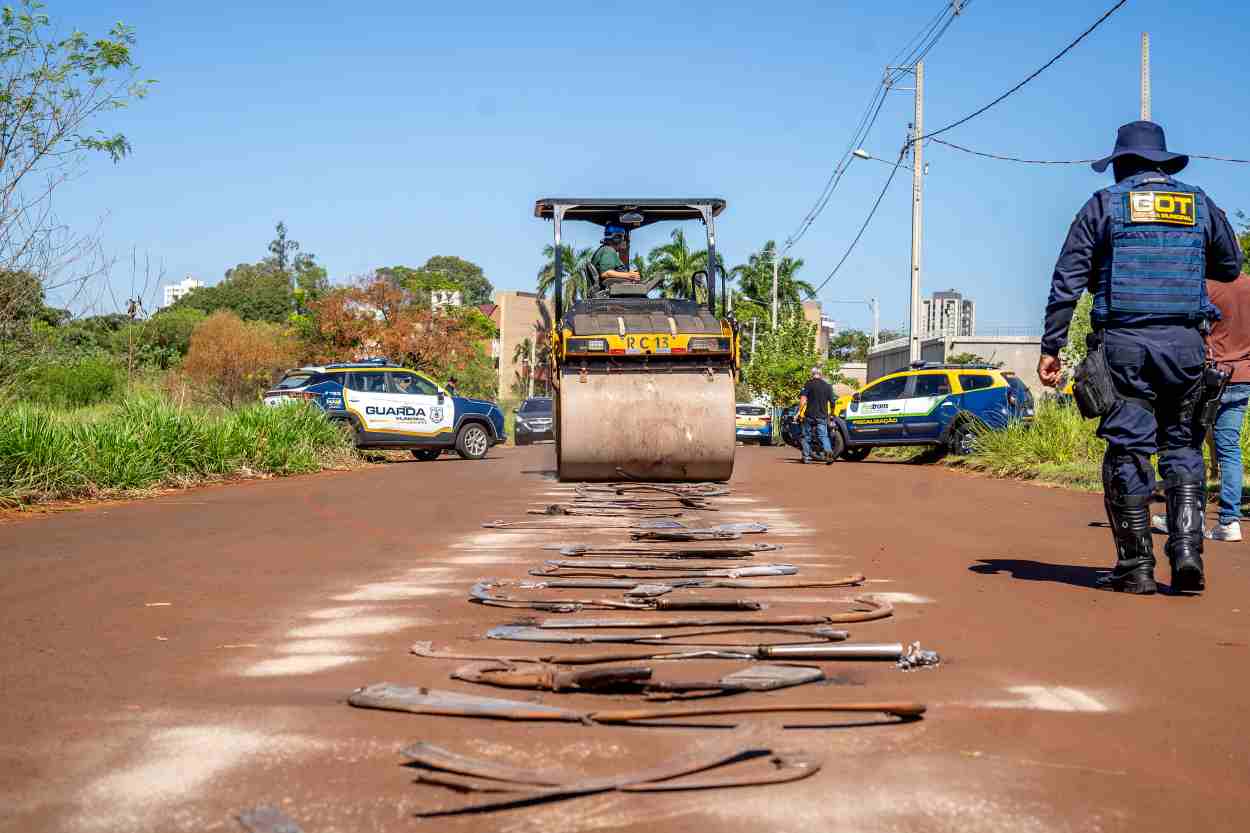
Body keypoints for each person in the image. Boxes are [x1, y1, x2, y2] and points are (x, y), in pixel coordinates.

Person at [1037, 120, 1243, 595]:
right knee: (1184, 447)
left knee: (1129, 450)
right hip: (1186, 346)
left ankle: (1136, 567)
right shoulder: (1200, 203)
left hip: (1124, 347)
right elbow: (1230, 265)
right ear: (1162, 164)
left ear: (1121, 166)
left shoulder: (1103, 206)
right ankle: (1188, 554)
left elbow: (1066, 282)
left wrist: (1052, 347)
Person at [1153, 273, 1250, 542]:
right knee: (1229, 448)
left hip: (1208, 377)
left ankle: (1185, 517)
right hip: (1242, 376)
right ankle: (1229, 521)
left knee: (1190, 447)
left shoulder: (1205, 287)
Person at [798, 367, 835, 464]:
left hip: (809, 415)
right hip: (822, 416)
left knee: (806, 436)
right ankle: (828, 453)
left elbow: (803, 400)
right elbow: (832, 402)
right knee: (824, 436)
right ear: (821, 374)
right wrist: (832, 413)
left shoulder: (808, 384)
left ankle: (806, 458)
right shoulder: (827, 386)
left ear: (812, 374)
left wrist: (799, 413)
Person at [590, 224, 641, 290]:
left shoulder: (604, 250)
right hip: (612, 291)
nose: (624, 241)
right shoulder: (608, 250)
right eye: (623, 238)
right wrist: (630, 276)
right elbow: (606, 273)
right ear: (617, 238)